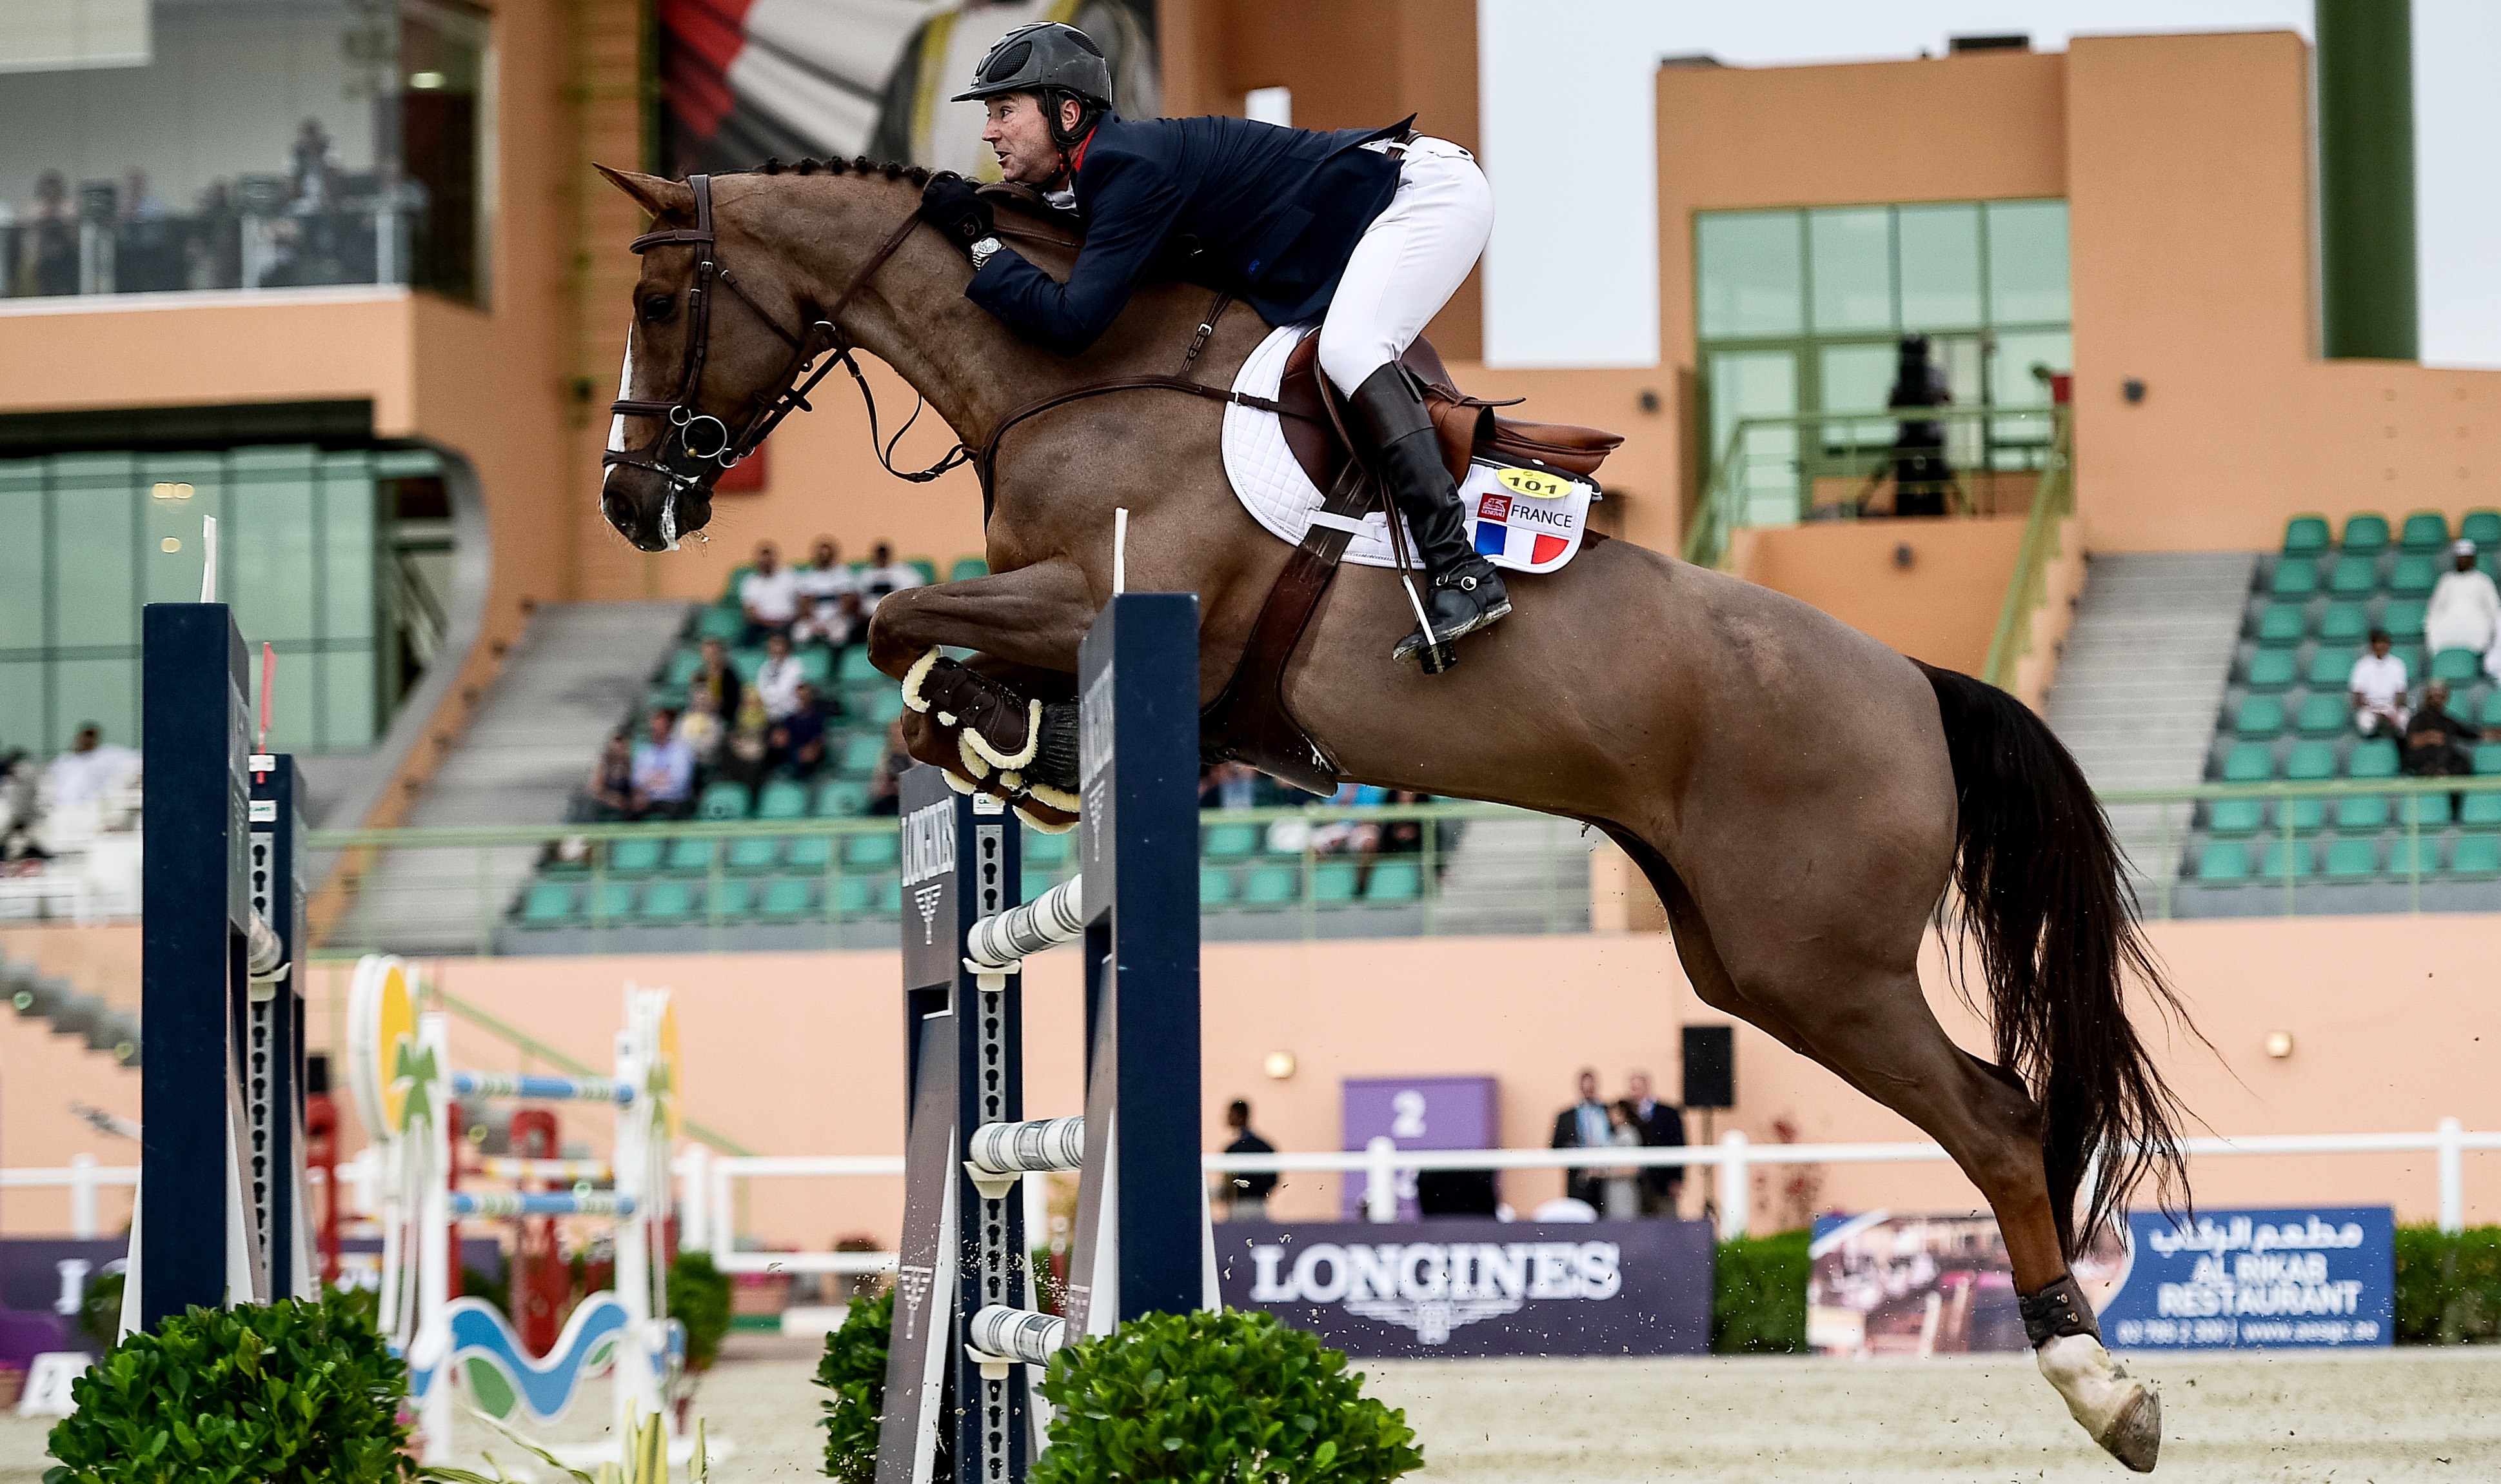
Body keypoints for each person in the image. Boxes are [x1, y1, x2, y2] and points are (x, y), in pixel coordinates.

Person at [920, 21, 1506, 670]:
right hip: (1371, 219)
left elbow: (1070, 323)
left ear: (1065, 113)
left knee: (1350, 349)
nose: (988, 130)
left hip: (1423, 195)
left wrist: (979, 242)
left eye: (1005, 111)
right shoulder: (1102, 174)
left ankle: (1461, 571)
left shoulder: (1127, 168)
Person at [2426, 539, 2501, 674]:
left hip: (2476, 621)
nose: (2463, 561)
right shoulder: (2446, 580)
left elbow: (2494, 608)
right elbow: (2435, 608)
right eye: (2460, 558)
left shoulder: (2483, 580)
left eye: (2466, 558)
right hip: (2449, 621)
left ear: (2473, 560)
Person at [1547, 1069, 1612, 1211]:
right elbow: (1554, 1147)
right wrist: (1572, 1150)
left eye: (1591, 1086)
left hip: (1608, 1178)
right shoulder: (1566, 1116)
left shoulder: (1609, 1111)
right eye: (1585, 1086)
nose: (1589, 1089)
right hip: (1579, 1180)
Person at [1626, 1070, 1687, 1217]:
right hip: (1638, 1184)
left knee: (1667, 1221)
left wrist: (1677, 1179)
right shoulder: (1628, 1114)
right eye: (1632, 1089)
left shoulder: (1668, 1113)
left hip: (1664, 1181)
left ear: (1647, 1087)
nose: (1634, 1093)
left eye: (1637, 1088)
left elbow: (1679, 1145)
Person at [44, 724, 141, 812]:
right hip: (61, 808)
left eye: (91, 737)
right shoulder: (65, 760)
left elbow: (136, 759)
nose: (87, 741)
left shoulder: (106, 756)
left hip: (91, 808)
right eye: (85, 737)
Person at [2402, 678, 2480, 782]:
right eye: (2433, 695)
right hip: (2423, 760)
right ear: (2427, 697)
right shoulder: (2417, 720)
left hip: (2446, 762)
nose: (2437, 699)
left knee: (2462, 762)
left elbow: (2471, 734)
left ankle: (2443, 776)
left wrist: (2492, 734)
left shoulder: (2448, 721)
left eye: (2440, 696)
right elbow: (2412, 741)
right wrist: (2430, 737)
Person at [629, 709, 697, 820]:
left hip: (675, 801)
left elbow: (680, 782)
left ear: (668, 727)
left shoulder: (681, 751)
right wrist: (663, 779)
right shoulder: (645, 753)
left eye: (660, 726)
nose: (655, 730)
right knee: (631, 810)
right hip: (649, 801)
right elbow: (636, 781)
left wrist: (651, 781)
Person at [1218, 1099, 1278, 1221]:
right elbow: (1274, 1179)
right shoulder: (1265, 1146)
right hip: (1260, 1206)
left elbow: (1229, 1183)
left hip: (1240, 1207)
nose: (1227, 1117)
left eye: (1231, 1114)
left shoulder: (1234, 1149)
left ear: (1240, 1115)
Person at [2349, 629, 2410, 737]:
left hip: (2391, 707)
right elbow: (2357, 699)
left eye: (2384, 643)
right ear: (2372, 646)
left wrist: (2393, 712)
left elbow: (2401, 695)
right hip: (2370, 708)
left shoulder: (2398, 665)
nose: (2381, 647)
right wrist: (2375, 711)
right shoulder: (2362, 666)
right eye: (2378, 643)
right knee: (2365, 723)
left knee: (2404, 720)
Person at [739, 542, 802, 644]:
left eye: (769, 556)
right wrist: (764, 622)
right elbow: (749, 609)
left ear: (775, 558)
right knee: (745, 639)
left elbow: (800, 601)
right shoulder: (751, 581)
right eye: (762, 557)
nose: (766, 561)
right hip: (762, 624)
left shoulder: (789, 576)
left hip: (787, 623)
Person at [771, 682, 833, 779]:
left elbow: (819, 740)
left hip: (810, 758)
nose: (801, 701)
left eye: (804, 698)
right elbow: (780, 739)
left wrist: (812, 749)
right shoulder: (789, 719)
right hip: (790, 754)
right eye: (798, 698)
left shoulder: (817, 718)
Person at [1600, 1101, 1645, 1220]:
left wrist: (1605, 1173)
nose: (1609, 1116)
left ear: (1623, 1114)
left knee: (1624, 1227)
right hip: (1613, 1190)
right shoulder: (1616, 1135)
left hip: (1624, 1190)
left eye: (1613, 1113)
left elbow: (1633, 1169)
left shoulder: (1629, 1135)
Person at [583, 731, 637, 820]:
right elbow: (597, 789)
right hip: (605, 801)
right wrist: (611, 798)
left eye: (623, 747)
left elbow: (635, 786)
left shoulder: (630, 764)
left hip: (625, 801)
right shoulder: (603, 764)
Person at [689, 636, 744, 722]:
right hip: (702, 716)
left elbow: (734, 701)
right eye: (707, 653)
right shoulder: (699, 675)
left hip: (723, 718)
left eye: (713, 653)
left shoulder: (730, 675)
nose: (710, 657)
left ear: (720, 654)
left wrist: (718, 704)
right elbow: (693, 700)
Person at [755, 631, 806, 720]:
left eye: (778, 643)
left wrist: (773, 700)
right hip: (769, 715)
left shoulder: (796, 665)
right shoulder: (765, 667)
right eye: (772, 643)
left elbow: (784, 692)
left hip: (791, 714)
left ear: (786, 645)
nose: (774, 647)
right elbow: (761, 689)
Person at [858, 542, 924, 610]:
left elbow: (916, 589)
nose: (881, 559)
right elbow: (860, 594)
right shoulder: (866, 574)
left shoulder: (902, 572)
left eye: (883, 556)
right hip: (869, 611)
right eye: (879, 556)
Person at [677, 688, 726, 775]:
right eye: (698, 700)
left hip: (707, 763)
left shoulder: (716, 722)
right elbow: (677, 740)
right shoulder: (683, 720)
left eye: (704, 700)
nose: (701, 703)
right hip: (684, 762)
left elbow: (713, 744)